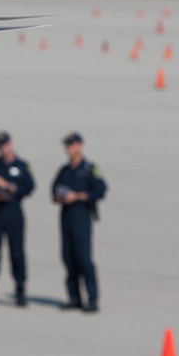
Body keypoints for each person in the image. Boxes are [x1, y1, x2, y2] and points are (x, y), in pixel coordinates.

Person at [0, 131, 35, 307]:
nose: (4, 148)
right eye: (0, 146)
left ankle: (20, 290)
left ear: (11, 144)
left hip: (13, 213)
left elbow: (29, 187)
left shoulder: (22, 165)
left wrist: (8, 186)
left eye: (6, 145)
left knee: (17, 252)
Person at [51, 132, 107, 313]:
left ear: (80, 145)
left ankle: (92, 298)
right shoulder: (64, 170)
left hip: (81, 215)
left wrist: (79, 196)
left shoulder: (89, 169)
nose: (68, 149)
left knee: (84, 258)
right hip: (66, 215)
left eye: (71, 145)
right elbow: (53, 190)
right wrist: (61, 197)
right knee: (68, 257)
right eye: (67, 146)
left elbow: (100, 190)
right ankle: (74, 297)